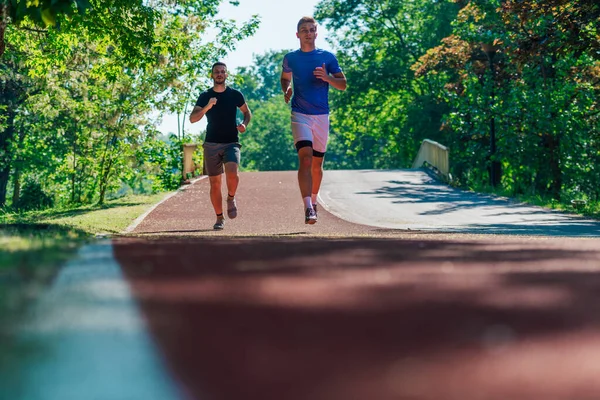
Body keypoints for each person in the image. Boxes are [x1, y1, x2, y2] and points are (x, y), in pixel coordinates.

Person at [280, 16, 347, 224]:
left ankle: (315, 201)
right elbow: (284, 77)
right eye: (304, 30)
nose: (308, 33)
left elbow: (343, 84)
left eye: (311, 30)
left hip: (321, 116)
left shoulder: (327, 57)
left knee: (317, 164)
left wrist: (328, 78)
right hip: (300, 114)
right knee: (306, 158)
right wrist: (287, 88)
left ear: (316, 33)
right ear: (297, 34)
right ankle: (308, 206)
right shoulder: (291, 58)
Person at [189, 62, 252, 230]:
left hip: (231, 141)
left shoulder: (235, 95)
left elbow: (247, 112)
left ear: (226, 75)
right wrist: (208, 106)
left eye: (222, 71)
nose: (219, 74)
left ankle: (231, 197)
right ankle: (219, 218)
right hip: (211, 144)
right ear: (212, 75)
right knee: (215, 184)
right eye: (216, 72)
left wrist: (244, 124)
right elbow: (193, 118)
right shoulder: (204, 96)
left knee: (232, 173)